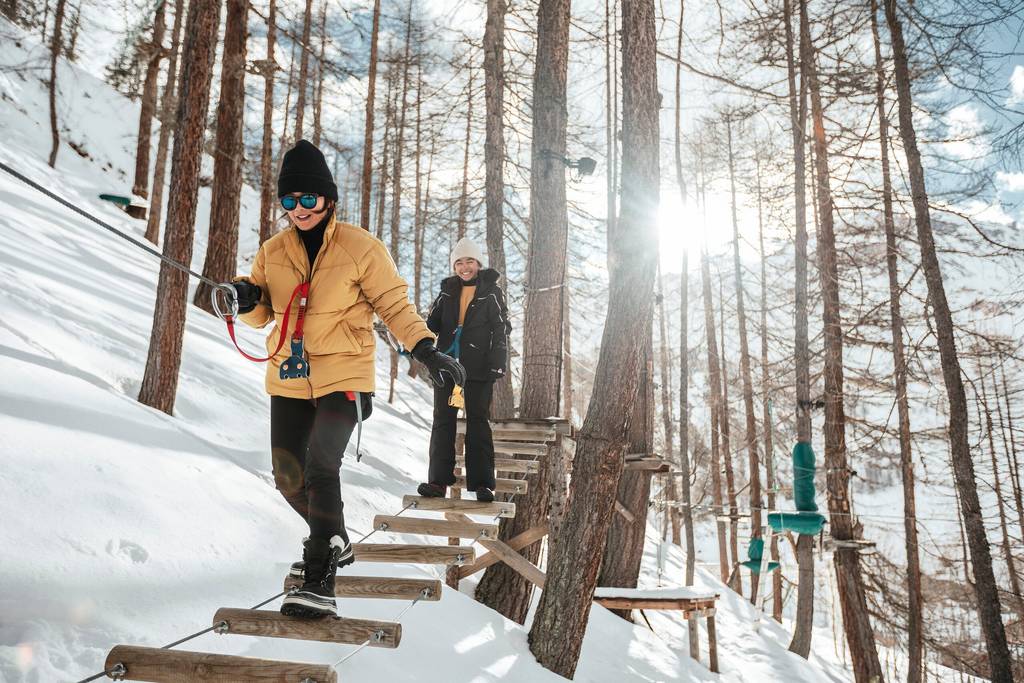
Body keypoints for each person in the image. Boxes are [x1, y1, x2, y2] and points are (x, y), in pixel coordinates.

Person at [232, 140, 465, 618]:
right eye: (289, 201)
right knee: (287, 476)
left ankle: (319, 577)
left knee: (321, 464)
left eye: (308, 199)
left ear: (328, 199)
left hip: (347, 376)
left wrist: (425, 349)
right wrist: (244, 297)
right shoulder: (272, 251)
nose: (299, 210)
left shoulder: (361, 247)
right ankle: (333, 534)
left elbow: (394, 306)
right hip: (290, 376)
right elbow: (262, 315)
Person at [417, 238, 511, 503]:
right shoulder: (447, 291)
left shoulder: (491, 291)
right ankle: (437, 481)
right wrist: (420, 346)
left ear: (478, 264)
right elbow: (430, 325)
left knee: (478, 422)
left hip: (479, 368)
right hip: (446, 366)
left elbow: (501, 328)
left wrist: (497, 362)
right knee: (442, 421)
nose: (464, 266)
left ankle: (482, 484)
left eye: (469, 261)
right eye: (459, 262)